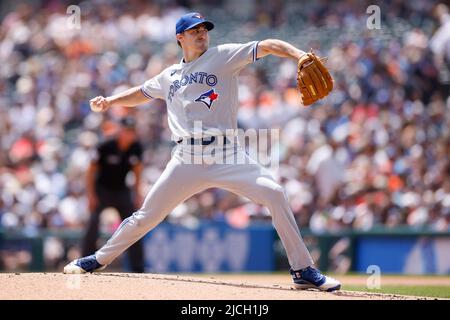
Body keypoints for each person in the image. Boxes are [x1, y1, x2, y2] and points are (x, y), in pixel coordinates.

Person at [64, 12, 341, 292]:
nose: (201, 34)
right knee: (147, 215)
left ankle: (302, 269)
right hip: (187, 159)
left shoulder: (223, 56)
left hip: (227, 154)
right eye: (194, 30)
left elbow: (267, 45)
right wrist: (110, 101)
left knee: (275, 194)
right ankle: (98, 259)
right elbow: (142, 92)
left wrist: (298, 55)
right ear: (179, 37)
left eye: (204, 29)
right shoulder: (168, 75)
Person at [81, 116, 145, 273]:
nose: (129, 134)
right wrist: (90, 195)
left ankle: (138, 268)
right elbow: (90, 171)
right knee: (93, 225)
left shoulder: (136, 147)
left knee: (134, 226)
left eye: (132, 131)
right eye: (126, 131)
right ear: (120, 131)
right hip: (101, 190)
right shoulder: (106, 145)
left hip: (122, 190)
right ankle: (84, 263)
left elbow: (137, 172)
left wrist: (137, 194)